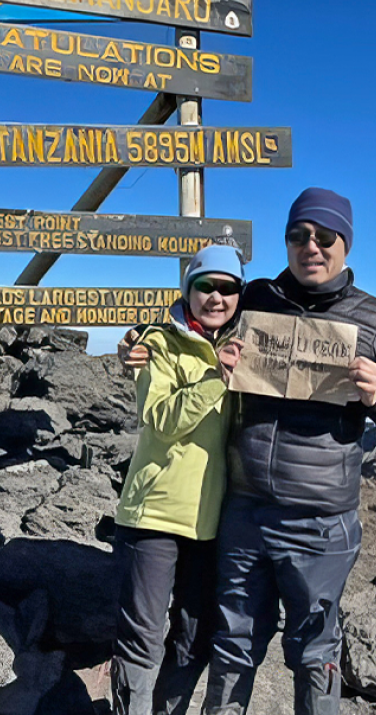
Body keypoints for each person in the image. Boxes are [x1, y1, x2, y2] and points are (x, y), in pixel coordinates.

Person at [202, 187, 376, 715]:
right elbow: (195, 318)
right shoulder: (255, 299)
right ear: (286, 242)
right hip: (245, 508)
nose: (312, 246)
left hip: (321, 523)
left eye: (325, 237)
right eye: (298, 235)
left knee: (314, 651)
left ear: (345, 243)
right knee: (233, 642)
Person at [111, 243, 246, 715]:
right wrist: (216, 379)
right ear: (188, 289)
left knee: (193, 641)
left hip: (210, 524)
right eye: (206, 286)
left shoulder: (246, 350)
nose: (217, 297)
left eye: (229, 288)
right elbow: (163, 418)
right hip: (154, 515)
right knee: (142, 640)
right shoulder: (158, 344)